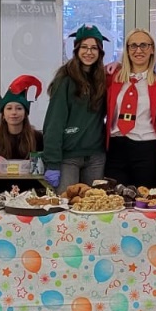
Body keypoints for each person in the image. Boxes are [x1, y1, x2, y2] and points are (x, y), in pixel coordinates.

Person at [42, 24, 109, 191]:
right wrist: (52, 163)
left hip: (96, 156)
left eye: (94, 48)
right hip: (68, 157)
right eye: (84, 47)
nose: (89, 52)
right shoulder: (65, 79)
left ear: (100, 52)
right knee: (65, 204)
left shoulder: (102, 79)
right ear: (76, 49)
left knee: (94, 203)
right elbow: (54, 123)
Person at [104, 28, 156, 187]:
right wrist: (115, 64)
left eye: (144, 45)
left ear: (152, 49)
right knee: (116, 197)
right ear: (127, 50)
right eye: (133, 46)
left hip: (146, 148)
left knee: (145, 198)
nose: (138, 50)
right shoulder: (113, 77)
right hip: (116, 148)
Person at [0, 75, 45, 162]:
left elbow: (48, 159)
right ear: (3, 115)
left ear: (25, 114)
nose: (14, 112)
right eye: (9, 108)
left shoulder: (37, 138)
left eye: (19, 108)